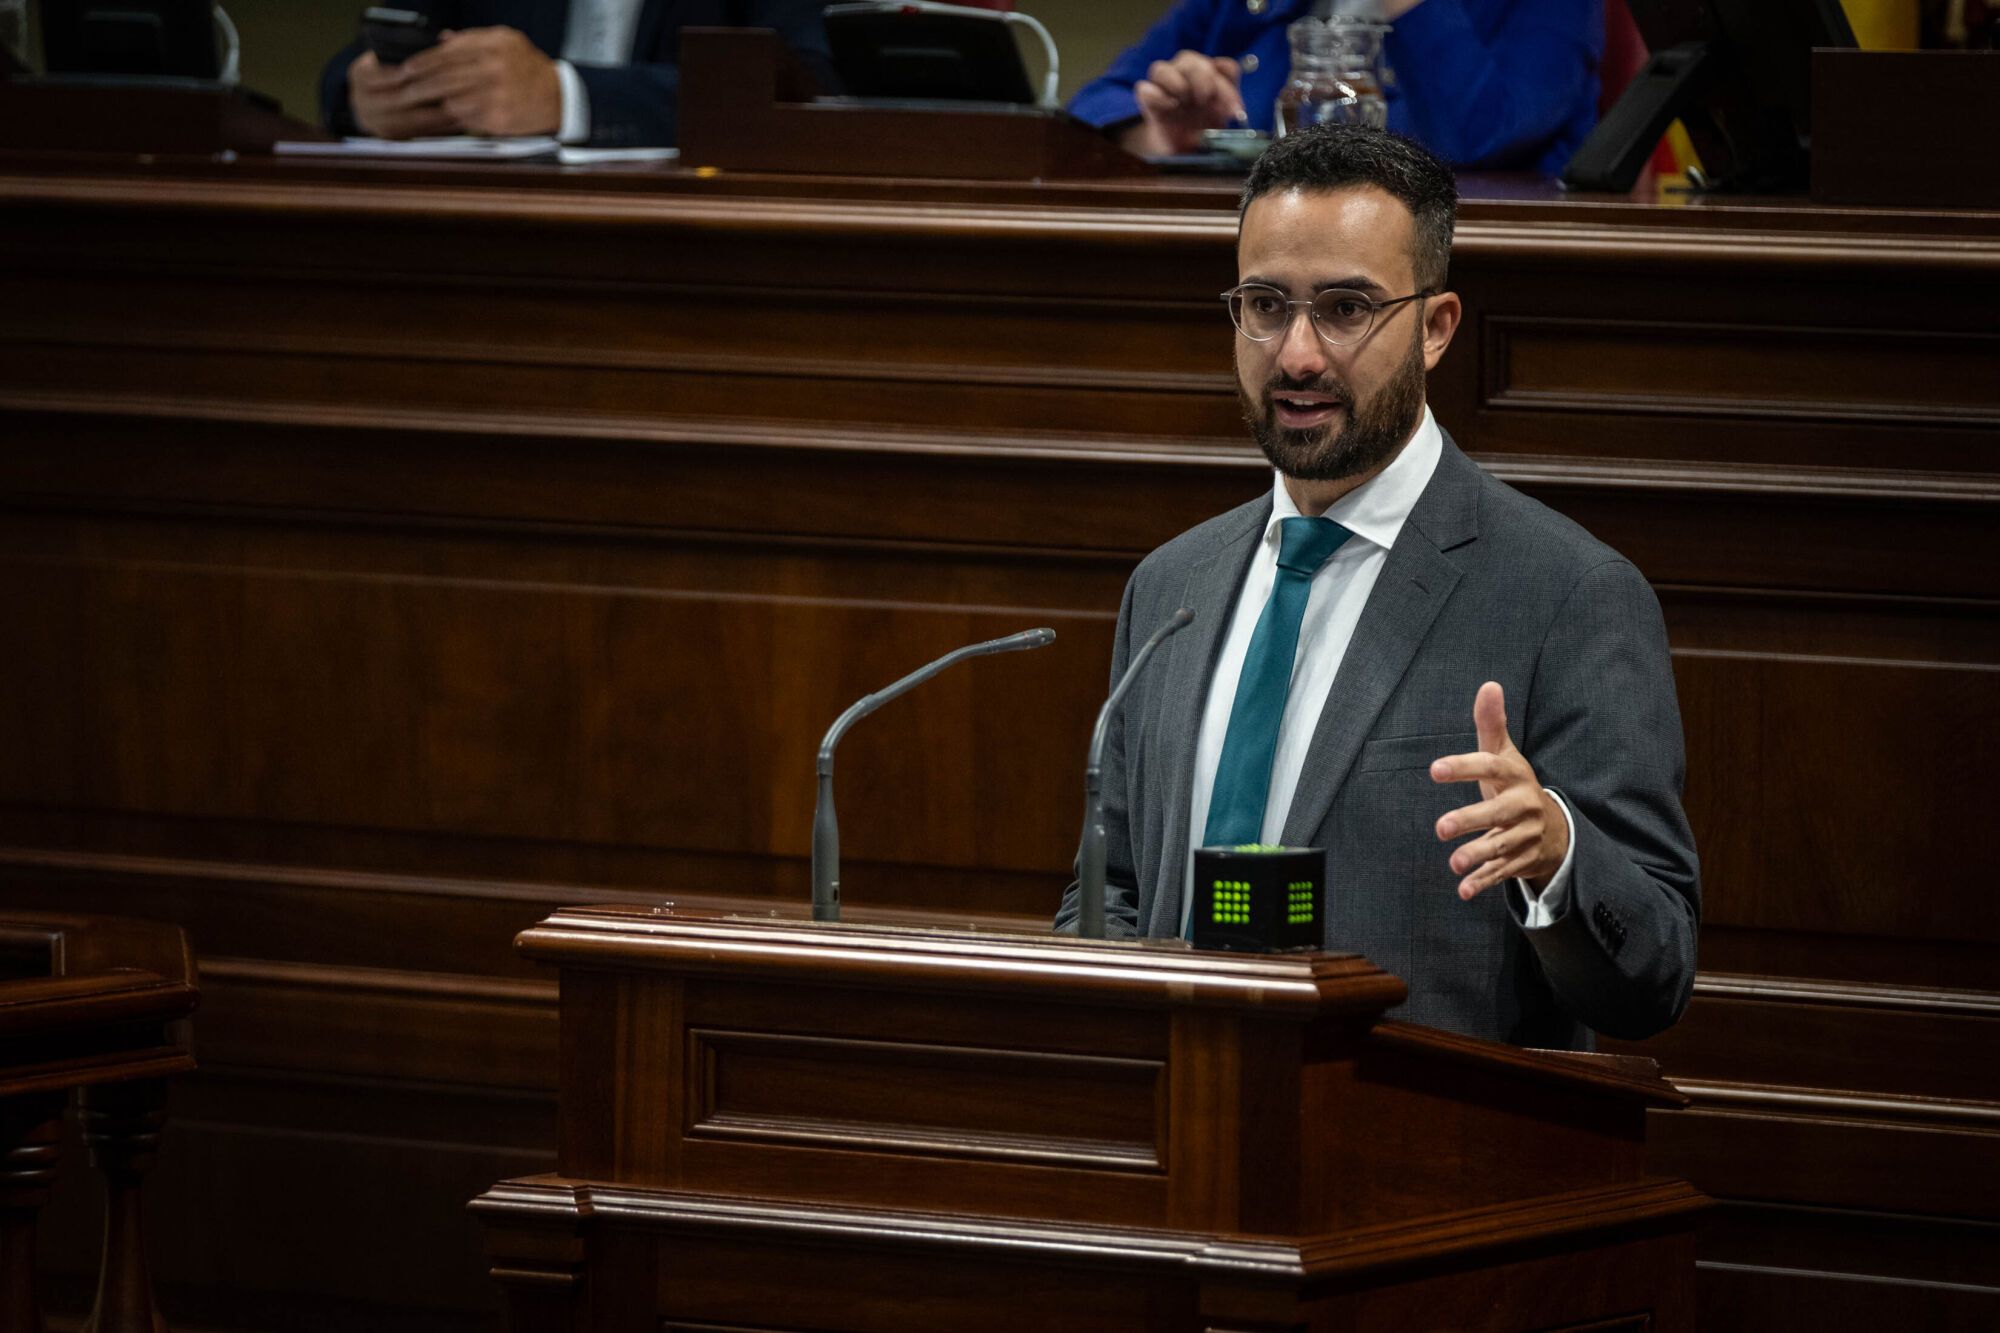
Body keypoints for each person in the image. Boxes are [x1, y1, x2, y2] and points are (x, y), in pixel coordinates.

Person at [1055, 125, 1697, 1049]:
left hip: (1422, 1159)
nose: (1298, 354)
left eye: (1348, 309)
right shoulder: (1172, 585)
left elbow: (1657, 971)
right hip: (1176, 1144)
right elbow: (1112, 886)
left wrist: (1560, 855)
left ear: (1436, 329)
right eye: (1266, 305)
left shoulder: (1568, 594)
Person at [1069, 0, 1603, 175]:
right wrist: (1160, 139)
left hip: (1457, 284)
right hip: (1245, 275)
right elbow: (1091, 107)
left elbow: (1482, 135)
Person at [319, 0, 834, 147]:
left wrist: (569, 98)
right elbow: (357, 62)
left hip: (703, 248)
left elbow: (810, 85)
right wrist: (368, 96)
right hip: (489, 242)